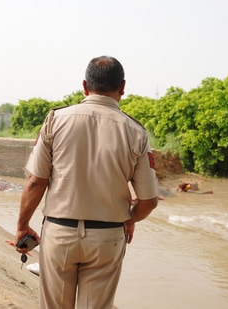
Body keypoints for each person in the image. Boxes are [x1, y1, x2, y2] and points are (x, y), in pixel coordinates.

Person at [15, 56, 159, 309]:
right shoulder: (136, 132)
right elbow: (148, 201)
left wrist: (22, 225)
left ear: (84, 85)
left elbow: (36, 181)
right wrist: (129, 219)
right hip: (108, 237)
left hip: (60, 234)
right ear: (122, 87)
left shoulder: (55, 120)